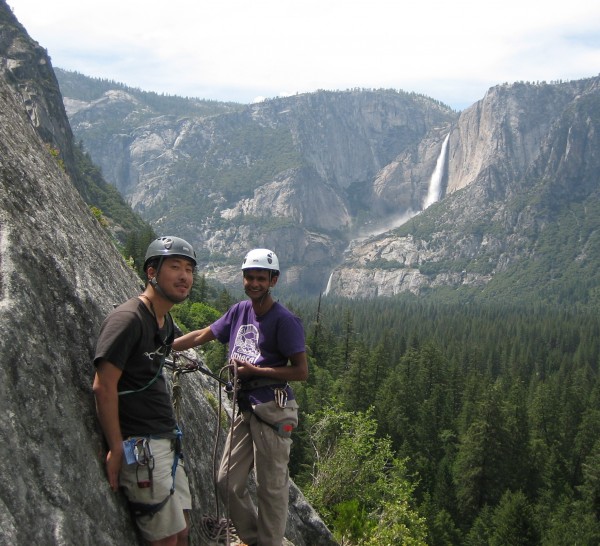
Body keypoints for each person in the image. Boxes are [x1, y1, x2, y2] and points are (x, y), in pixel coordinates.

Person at [173, 248, 308, 546]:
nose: (254, 283)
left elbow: (300, 371)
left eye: (261, 278)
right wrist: (168, 345)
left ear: (273, 281)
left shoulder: (284, 321)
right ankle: (253, 538)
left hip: (273, 408)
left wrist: (255, 370)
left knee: (270, 488)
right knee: (226, 480)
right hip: (246, 407)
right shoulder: (239, 311)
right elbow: (201, 335)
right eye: (250, 277)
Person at [92, 236, 197, 546]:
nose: (184, 277)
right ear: (152, 273)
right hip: (140, 446)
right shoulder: (128, 320)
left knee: (181, 530)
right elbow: (103, 385)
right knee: (164, 539)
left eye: (189, 269)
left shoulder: (163, 321)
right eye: (175, 267)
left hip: (163, 439)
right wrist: (115, 449)